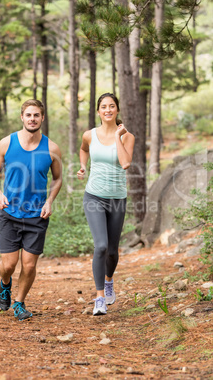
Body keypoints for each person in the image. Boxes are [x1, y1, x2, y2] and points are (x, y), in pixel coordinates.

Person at [0, 99, 62, 321]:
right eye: (28, 115)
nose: (32, 119)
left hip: (37, 215)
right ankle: (5, 284)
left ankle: (19, 303)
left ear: (42, 118)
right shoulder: (6, 143)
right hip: (10, 213)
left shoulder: (51, 148)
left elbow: (58, 178)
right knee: (9, 265)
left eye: (36, 115)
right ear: (22, 117)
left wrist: (50, 200)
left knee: (29, 265)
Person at [77, 93, 135, 316]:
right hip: (94, 196)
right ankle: (100, 297)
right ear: (98, 111)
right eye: (104, 107)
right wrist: (83, 166)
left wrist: (119, 137)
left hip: (117, 198)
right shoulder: (89, 135)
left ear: (117, 110)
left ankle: (109, 280)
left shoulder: (127, 136)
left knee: (112, 251)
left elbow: (125, 163)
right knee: (100, 246)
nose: (108, 110)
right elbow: (83, 149)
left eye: (112, 106)